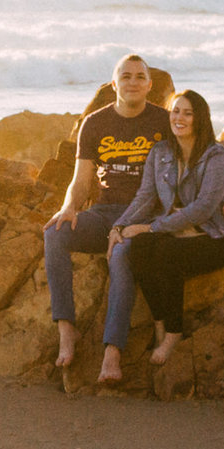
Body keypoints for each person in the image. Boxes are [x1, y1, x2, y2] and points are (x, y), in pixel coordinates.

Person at [42, 54, 172, 374]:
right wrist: (69, 207)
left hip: (143, 217)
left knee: (121, 254)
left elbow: (199, 161)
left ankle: (112, 351)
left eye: (140, 77)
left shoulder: (164, 122)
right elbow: (81, 181)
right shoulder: (95, 123)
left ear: (149, 85)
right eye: (125, 76)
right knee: (54, 233)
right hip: (104, 213)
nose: (133, 82)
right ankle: (66, 329)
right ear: (114, 84)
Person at [104, 89, 224, 380]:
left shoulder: (216, 155)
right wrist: (118, 227)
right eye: (175, 111)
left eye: (187, 112)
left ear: (200, 118)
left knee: (165, 254)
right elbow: (145, 196)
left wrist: (152, 227)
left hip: (216, 237)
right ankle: (160, 322)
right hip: (176, 232)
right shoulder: (161, 152)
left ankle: (174, 333)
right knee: (138, 247)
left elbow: (204, 208)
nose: (179, 118)